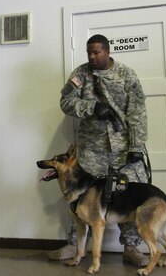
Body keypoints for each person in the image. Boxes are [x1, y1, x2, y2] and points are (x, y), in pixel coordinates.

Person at [55, 34, 149, 266]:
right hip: (91, 149)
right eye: (89, 52)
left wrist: (136, 146)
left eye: (96, 52)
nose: (92, 57)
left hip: (122, 148)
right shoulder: (81, 74)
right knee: (80, 196)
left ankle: (131, 247)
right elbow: (65, 102)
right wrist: (92, 107)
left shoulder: (127, 75)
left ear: (107, 51)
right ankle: (75, 244)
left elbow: (137, 112)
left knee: (127, 196)